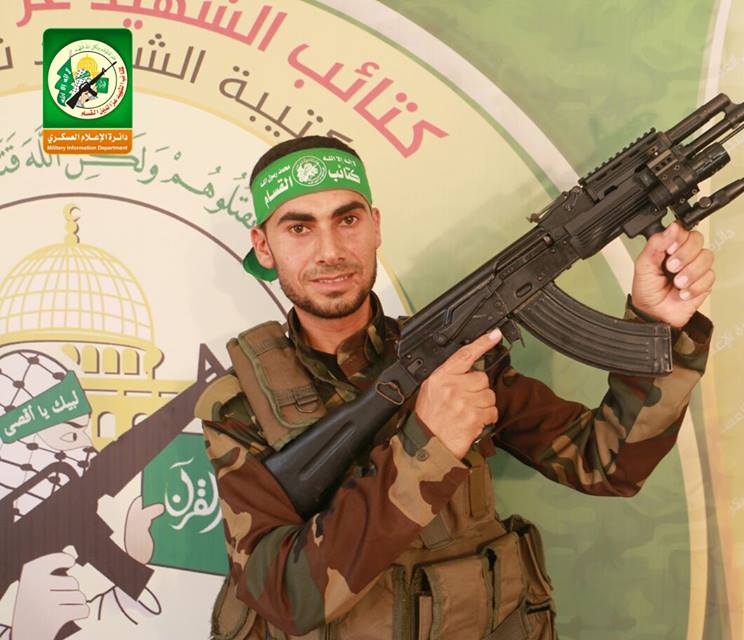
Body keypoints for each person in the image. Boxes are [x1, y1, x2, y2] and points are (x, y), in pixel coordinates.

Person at [196, 135, 714, 639]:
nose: (330, 251)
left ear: (375, 226)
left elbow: (607, 464)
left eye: (347, 220)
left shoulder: (458, 355)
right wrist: (429, 446)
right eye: (299, 228)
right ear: (264, 246)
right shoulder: (239, 406)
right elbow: (285, 596)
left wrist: (658, 325)